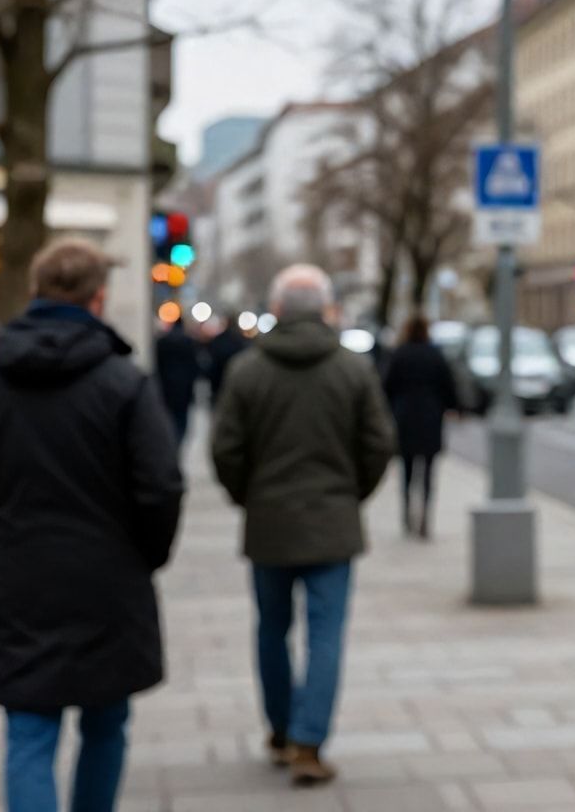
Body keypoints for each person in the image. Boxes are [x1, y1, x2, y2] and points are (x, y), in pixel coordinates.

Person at [0, 240, 185, 812]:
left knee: (29, 731)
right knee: (105, 723)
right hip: (109, 577)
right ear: (97, 299)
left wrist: (2, 537)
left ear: (35, 292)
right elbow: (161, 485)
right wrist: (143, 553)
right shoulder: (122, 382)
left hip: (25, 576)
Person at [210, 265, 394, 787]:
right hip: (333, 523)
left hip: (268, 522)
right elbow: (379, 445)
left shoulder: (248, 371)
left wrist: (248, 496)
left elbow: (225, 449)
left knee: (271, 630)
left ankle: (280, 729)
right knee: (326, 633)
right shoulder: (352, 370)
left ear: (277, 311)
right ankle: (310, 743)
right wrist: (351, 494)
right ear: (326, 309)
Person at [380, 315, 457, 538]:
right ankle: (425, 514)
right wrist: (452, 406)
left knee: (407, 470)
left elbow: (387, 387)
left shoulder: (400, 354)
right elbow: (448, 385)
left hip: (405, 418)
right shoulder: (434, 354)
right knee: (428, 472)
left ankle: (406, 514)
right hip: (431, 418)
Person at [153, 318, 201, 446]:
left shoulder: (162, 341)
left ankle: (171, 441)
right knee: (182, 419)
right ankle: (178, 441)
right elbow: (194, 367)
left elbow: (158, 366)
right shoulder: (189, 342)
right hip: (184, 389)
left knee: (169, 418)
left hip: (167, 387)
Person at [202, 311, 249, 402]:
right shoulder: (242, 342)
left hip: (219, 386)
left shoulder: (218, 341)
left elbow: (212, 364)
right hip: (236, 386)